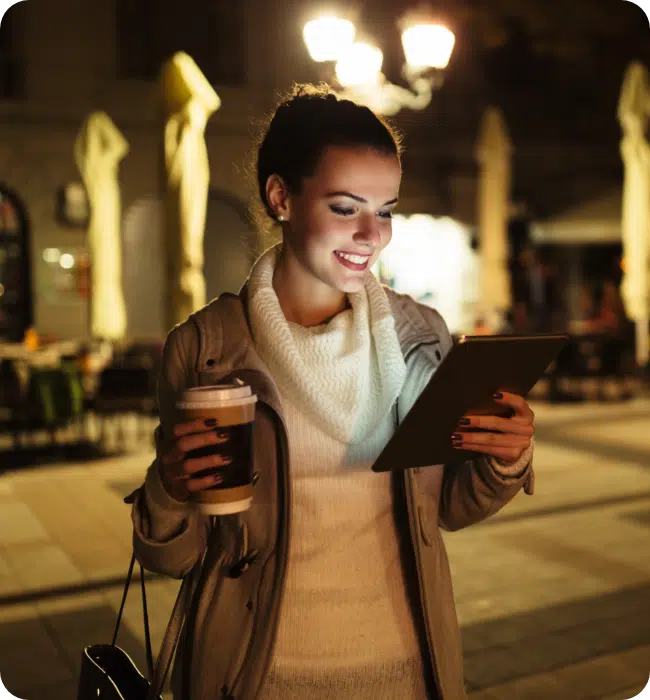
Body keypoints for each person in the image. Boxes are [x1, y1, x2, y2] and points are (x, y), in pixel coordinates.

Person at [131, 84, 535, 700]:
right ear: (280, 197)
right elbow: (175, 556)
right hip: (254, 676)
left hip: (405, 669)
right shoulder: (207, 346)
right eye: (347, 207)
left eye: (387, 210)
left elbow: (448, 508)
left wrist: (504, 459)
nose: (372, 234)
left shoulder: (418, 335)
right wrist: (170, 489)